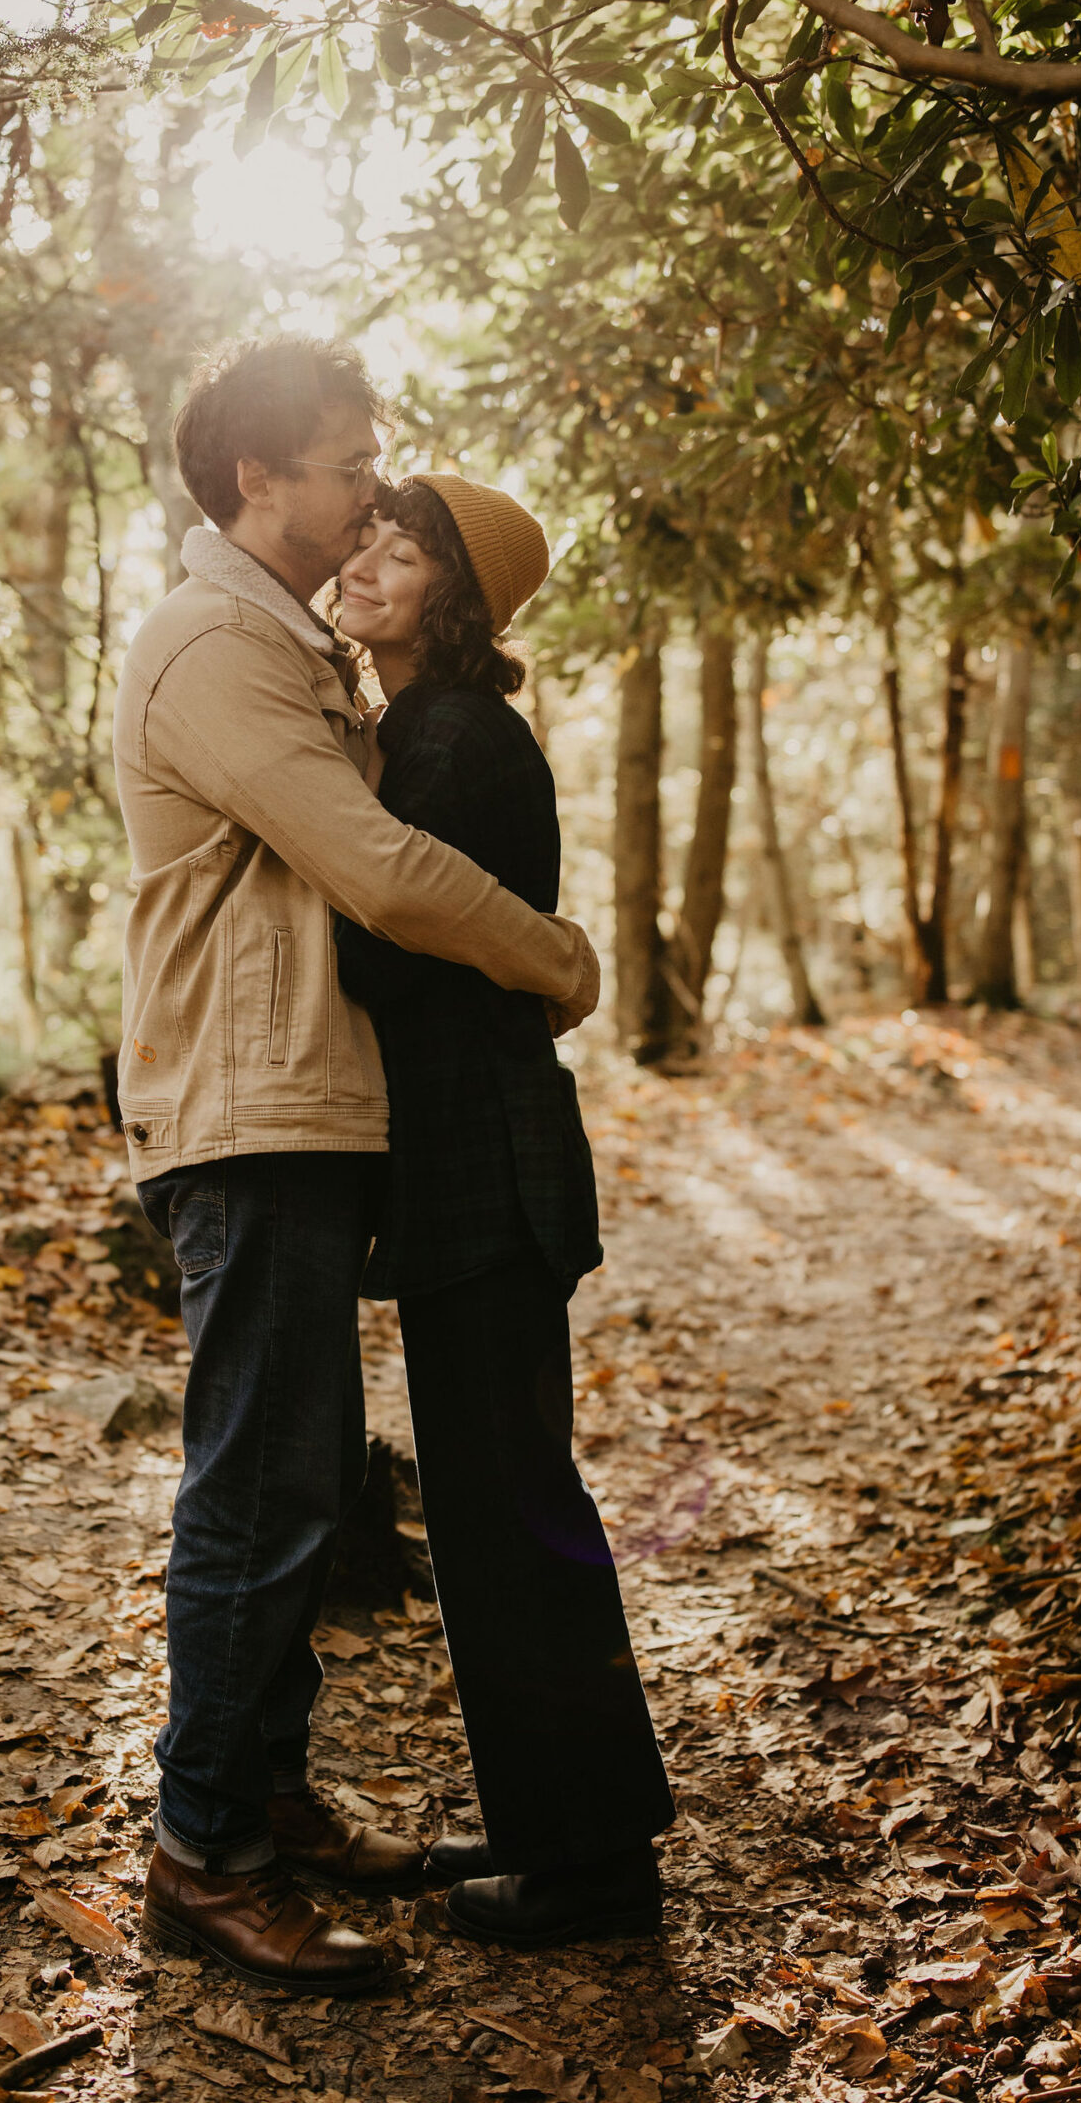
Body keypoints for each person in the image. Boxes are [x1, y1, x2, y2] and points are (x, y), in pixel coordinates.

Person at [114, 339, 602, 1997]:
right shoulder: (212, 649)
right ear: (260, 479)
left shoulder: (297, 649)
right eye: (343, 464)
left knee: (301, 1481)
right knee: (259, 1485)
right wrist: (556, 956)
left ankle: (264, 1793)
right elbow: (382, 875)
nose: (361, 487)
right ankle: (204, 1853)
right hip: (248, 1111)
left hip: (313, 1109)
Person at [333, 472, 674, 1949]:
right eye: (365, 538)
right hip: (478, 1163)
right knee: (496, 1509)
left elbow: (393, 953)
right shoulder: (420, 731)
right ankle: (562, 1827)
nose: (365, 562)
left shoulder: (454, 736)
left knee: (515, 1512)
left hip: (487, 1165)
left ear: (454, 601)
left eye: (400, 553)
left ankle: (594, 1864)